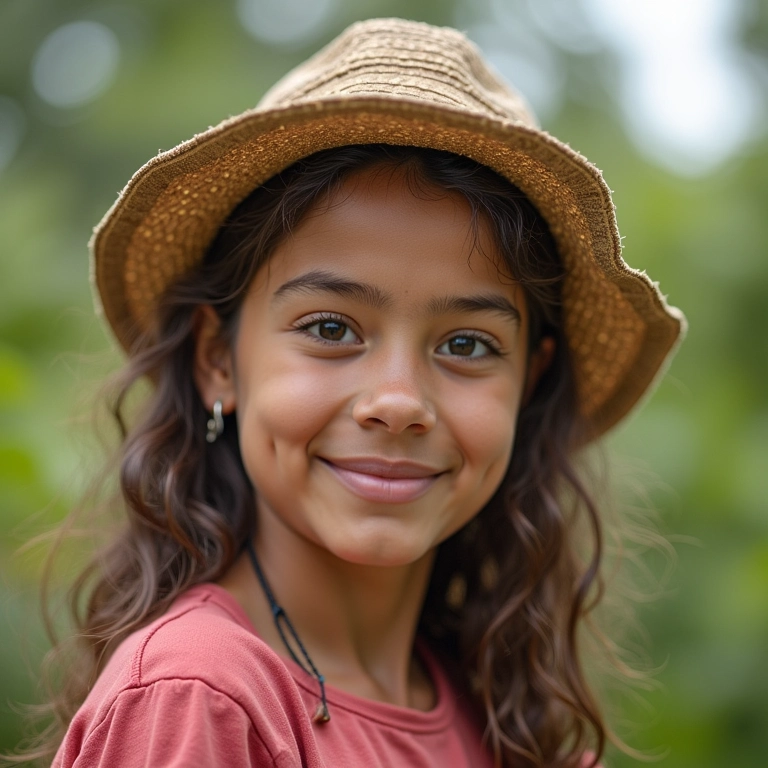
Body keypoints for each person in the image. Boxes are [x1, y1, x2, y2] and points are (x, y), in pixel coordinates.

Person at [34, 17, 684, 768]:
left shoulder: (484, 707)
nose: (398, 400)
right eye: (331, 328)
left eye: (467, 345)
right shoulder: (200, 698)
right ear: (218, 358)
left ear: (527, 384)